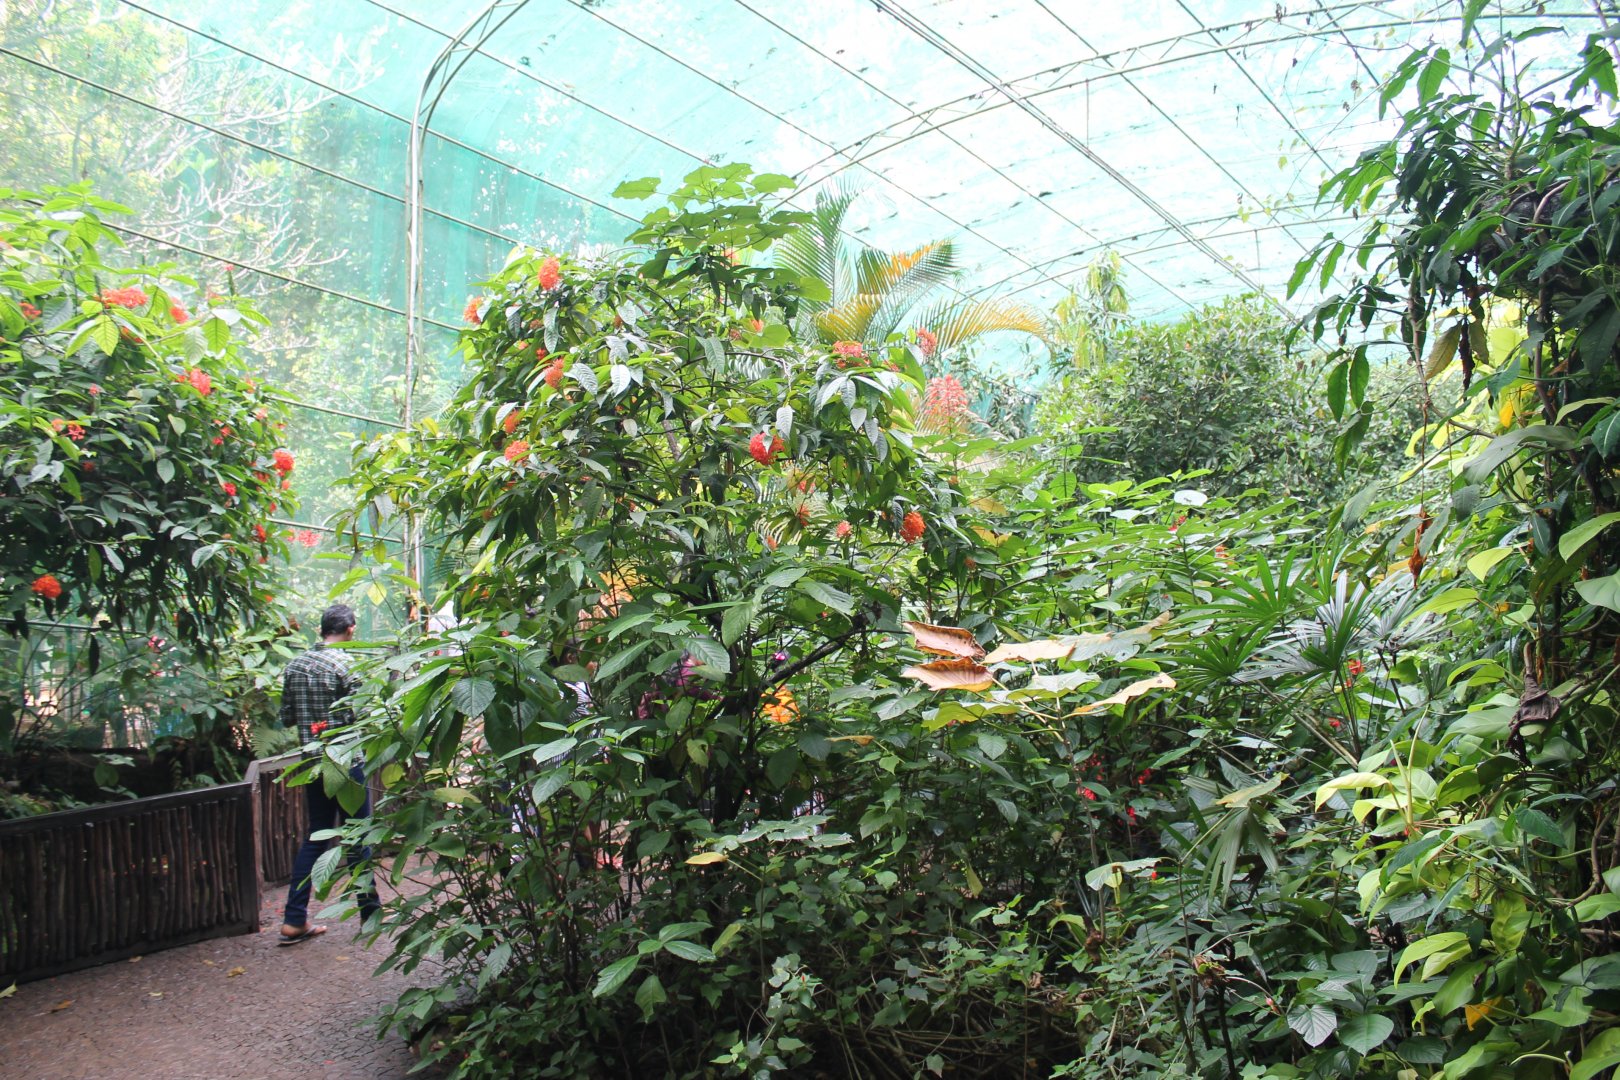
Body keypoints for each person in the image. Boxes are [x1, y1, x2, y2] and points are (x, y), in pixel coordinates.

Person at [277, 603, 379, 945]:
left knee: (317, 836)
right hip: (346, 762)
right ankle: (371, 916)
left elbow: (287, 717)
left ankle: (293, 920)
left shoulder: (295, 665)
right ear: (350, 630)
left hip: (312, 763)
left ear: (322, 629)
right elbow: (361, 716)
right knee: (357, 836)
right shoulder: (347, 664)